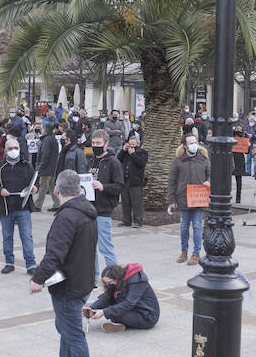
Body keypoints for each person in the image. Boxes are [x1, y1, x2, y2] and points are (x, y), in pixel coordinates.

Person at [29, 170, 98, 357]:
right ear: (79, 190)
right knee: (66, 328)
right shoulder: (85, 211)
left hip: (70, 284)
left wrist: (37, 279)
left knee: (73, 333)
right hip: (82, 280)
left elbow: (54, 254)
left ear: (56, 191)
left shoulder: (67, 217)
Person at [0, 136, 37, 274]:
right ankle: (9, 262)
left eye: (16, 148)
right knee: (7, 236)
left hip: (24, 207)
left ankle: (31, 264)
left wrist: (35, 188)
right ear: (5, 150)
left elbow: (35, 181)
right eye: (10, 148)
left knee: (26, 236)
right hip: (5, 207)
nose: (13, 151)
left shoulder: (27, 165)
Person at [168, 132, 211, 265]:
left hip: (199, 198)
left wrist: (208, 182)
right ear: (185, 146)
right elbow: (171, 181)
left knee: (198, 226)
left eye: (195, 142)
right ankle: (184, 252)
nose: (194, 145)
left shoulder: (204, 159)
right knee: (184, 227)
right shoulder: (178, 161)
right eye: (191, 143)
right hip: (183, 198)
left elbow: (210, 175)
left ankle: (196, 253)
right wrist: (172, 200)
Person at [85, 263, 159, 332]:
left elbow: (128, 303)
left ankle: (122, 324)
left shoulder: (137, 281)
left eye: (110, 282)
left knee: (114, 312)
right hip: (135, 309)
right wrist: (93, 307)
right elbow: (108, 297)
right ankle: (121, 325)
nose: (108, 285)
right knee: (114, 309)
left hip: (147, 316)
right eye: (106, 283)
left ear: (117, 278)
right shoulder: (120, 280)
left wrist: (104, 312)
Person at [88, 129, 123, 273]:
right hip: (89, 210)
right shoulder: (90, 161)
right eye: (93, 143)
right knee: (90, 249)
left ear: (106, 144)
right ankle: (93, 277)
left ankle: (116, 278)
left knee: (105, 247)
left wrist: (103, 187)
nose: (95, 145)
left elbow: (119, 186)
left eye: (98, 143)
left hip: (103, 211)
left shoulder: (113, 162)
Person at [117, 132, 149, 228]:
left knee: (136, 203)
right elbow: (117, 161)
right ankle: (126, 221)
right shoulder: (125, 153)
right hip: (125, 180)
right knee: (125, 202)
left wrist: (133, 154)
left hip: (136, 181)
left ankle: (138, 221)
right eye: (129, 145)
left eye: (133, 145)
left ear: (138, 144)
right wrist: (123, 151)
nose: (131, 147)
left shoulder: (143, 153)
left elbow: (141, 163)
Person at [33, 124, 61, 213]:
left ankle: (37, 206)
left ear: (45, 130)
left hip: (46, 168)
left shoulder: (47, 140)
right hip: (52, 168)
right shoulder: (53, 139)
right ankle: (57, 204)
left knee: (42, 187)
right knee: (52, 187)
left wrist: (40, 167)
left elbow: (45, 155)